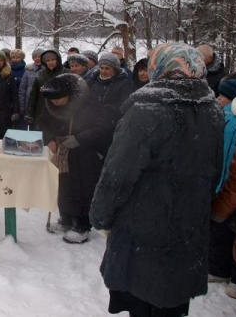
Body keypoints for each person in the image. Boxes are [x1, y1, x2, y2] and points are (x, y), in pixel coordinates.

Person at [90, 42, 224, 317]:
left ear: (159, 68)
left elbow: (118, 173)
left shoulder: (148, 109)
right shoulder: (211, 109)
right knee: (170, 300)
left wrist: (101, 215)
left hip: (143, 225)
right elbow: (214, 171)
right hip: (187, 225)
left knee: (142, 298)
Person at [41, 74, 113, 244]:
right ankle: (66, 220)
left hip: (85, 154)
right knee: (63, 186)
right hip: (61, 151)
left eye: (59, 99)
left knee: (82, 189)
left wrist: (79, 139)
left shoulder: (89, 105)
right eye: (53, 100)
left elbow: (103, 128)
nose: (56, 103)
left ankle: (82, 225)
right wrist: (49, 138)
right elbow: (42, 122)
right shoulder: (50, 105)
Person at [208, 80, 236, 301]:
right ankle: (219, 269)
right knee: (222, 227)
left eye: (222, 96)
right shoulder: (227, 113)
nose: (218, 98)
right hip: (224, 178)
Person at [25, 48, 69, 136]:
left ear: (58, 60)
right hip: (41, 111)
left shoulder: (66, 72)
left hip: (59, 113)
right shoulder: (41, 74)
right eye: (48, 60)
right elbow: (33, 95)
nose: (50, 62)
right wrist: (30, 114)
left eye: (53, 60)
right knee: (39, 140)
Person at [0, 51, 19, 139]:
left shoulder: (9, 75)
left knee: (4, 137)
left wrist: (15, 111)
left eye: (1, 60)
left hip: (5, 111)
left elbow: (14, 94)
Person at [18, 48, 44, 129]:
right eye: (35, 57)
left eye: (39, 56)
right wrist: (22, 106)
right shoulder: (28, 71)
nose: (37, 58)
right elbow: (22, 89)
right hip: (29, 105)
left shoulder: (47, 71)